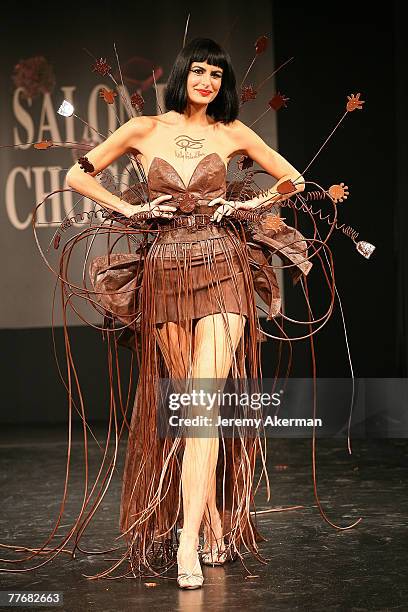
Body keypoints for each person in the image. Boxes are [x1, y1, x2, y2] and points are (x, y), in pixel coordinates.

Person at [64, 37, 307, 589]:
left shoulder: (233, 134)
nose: (207, 81)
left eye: (217, 75)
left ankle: (186, 543)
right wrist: (128, 207)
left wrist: (249, 205)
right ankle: (213, 522)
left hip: (224, 266)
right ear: (183, 76)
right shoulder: (144, 129)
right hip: (167, 271)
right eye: (198, 71)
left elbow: (289, 178)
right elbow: (78, 176)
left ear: (223, 85)